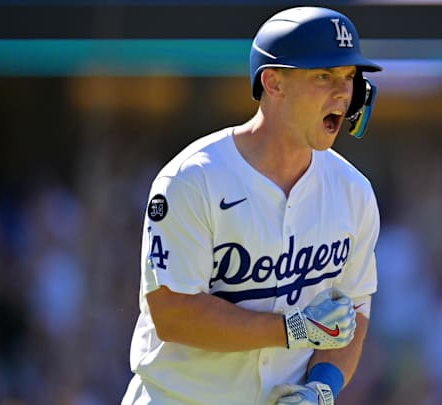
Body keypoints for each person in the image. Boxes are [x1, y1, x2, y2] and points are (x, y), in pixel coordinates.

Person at [121, 6, 382, 405]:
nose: (343, 93)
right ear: (273, 82)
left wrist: (322, 388)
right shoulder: (193, 179)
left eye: (349, 77)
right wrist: (291, 329)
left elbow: (352, 313)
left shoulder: (354, 192)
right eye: (323, 75)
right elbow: (173, 315)